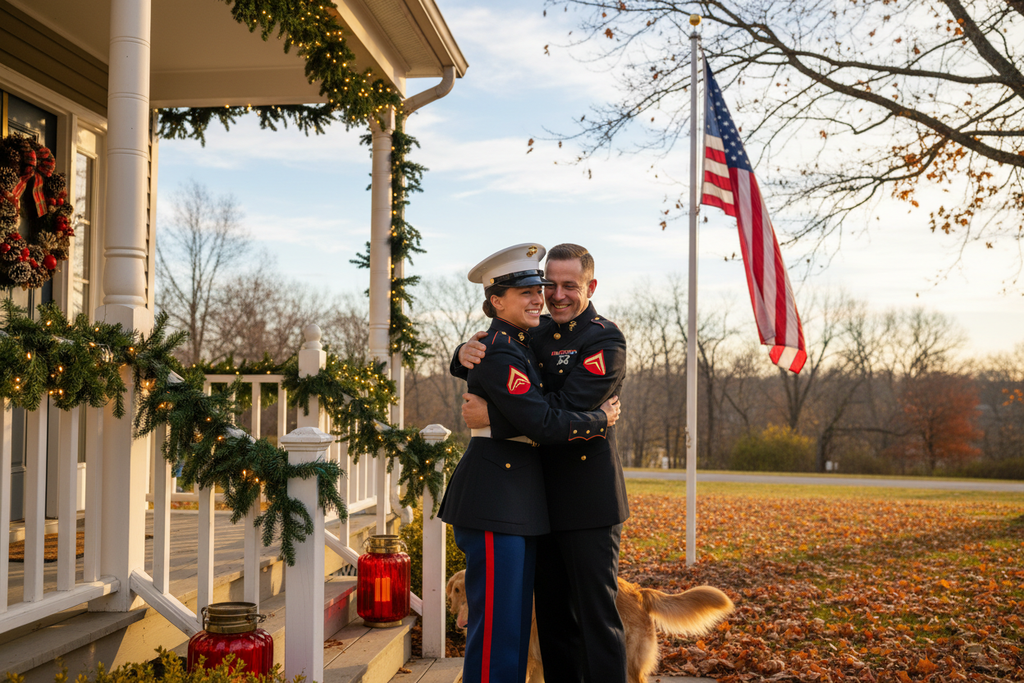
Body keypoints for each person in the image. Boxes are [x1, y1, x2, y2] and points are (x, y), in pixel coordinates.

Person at [438, 243, 621, 683]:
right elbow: (501, 361)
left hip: (585, 498)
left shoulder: (603, 338)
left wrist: (494, 419)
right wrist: (462, 354)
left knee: (596, 618)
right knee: (550, 621)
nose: (552, 295)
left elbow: (560, 405)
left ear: (590, 287)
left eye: (566, 286)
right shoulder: (531, 333)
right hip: (534, 501)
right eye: (545, 284)